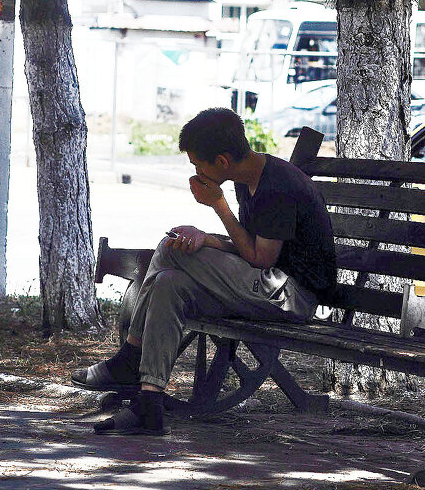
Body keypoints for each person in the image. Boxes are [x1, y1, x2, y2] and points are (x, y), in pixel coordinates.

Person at [72, 107, 337, 436]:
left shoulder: (276, 186)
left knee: (170, 249)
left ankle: (130, 357)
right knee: (169, 283)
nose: (196, 171)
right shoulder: (247, 179)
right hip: (265, 284)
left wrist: (218, 206)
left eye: (199, 164)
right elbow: (250, 246)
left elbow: (260, 258)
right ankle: (149, 406)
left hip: (291, 296)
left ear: (222, 162)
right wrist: (207, 240)